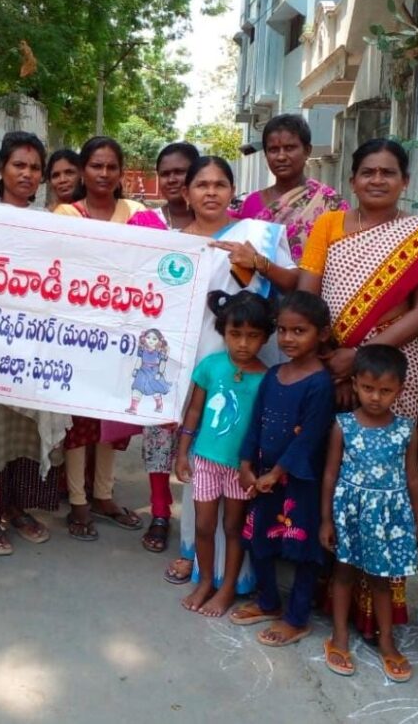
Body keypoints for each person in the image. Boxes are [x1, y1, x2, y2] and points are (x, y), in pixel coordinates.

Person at [298, 138, 418, 637]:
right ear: (352, 180)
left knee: (383, 481)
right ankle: (327, 591)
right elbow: (308, 295)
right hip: (330, 363)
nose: (377, 180)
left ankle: (378, 615)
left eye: (388, 172)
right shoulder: (328, 225)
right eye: (367, 172)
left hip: (391, 373)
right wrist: (333, 359)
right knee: (337, 474)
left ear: (405, 181)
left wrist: (359, 360)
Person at [164, 156, 294, 589]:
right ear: (187, 192)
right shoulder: (174, 244)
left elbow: (294, 283)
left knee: (246, 457)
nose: (211, 192)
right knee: (202, 455)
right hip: (198, 362)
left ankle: (244, 567)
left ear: (232, 191)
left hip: (252, 362)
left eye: (220, 184)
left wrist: (259, 263)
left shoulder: (258, 237)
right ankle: (194, 554)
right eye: (201, 184)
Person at [0, 132, 64, 555]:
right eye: (18, 165)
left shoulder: (54, 223)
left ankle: (19, 507)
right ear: (1, 170)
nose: (26, 174)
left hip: (36, 347)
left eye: (33, 167)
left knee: (26, 432)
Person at [54, 136, 147, 540]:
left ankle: (104, 495)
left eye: (112, 167)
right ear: (83, 170)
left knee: (113, 418)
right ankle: (78, 502)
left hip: (124, 337)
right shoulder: (66, 214)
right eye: (96, 166)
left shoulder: (140, 214)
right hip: (77, 335)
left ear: (120, 172)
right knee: (79, 423)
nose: (104, 174)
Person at [231, 291, 335, 648]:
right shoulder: (274, 374)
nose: (288, 339)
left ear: (321, 334)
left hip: (298, 483)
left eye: (299, 331)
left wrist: (276, 474)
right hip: (261, 478)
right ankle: (269, 602)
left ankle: (297, 618)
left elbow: (309, 438)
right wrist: (246, 464)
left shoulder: (321, 384)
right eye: (283, 330)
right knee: (257, 538)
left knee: (302, 551)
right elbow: (256, 423)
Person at [112, 141, 199, 553]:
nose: (173, 179)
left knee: (204, 433)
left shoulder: (217, 225)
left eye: (182, 172)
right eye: (166, 173)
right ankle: (161, 513)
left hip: (207, 344)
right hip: (156, 347)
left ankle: (204, 519)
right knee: (158, 431)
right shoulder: (144, 222)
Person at [320, 345, 418, 683]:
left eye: (385, 390)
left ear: (400, 390)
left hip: (387, 519)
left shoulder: (406, 429)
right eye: (367, 388)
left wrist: (416, 519)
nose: (375, 397)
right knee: (344, 573)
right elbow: (330, 475)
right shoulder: (343, 425)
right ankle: (339, 637)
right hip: (349, 513)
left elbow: (413, 477)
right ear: (355, 384)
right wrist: (325, 519)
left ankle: (387, 641)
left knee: (382, 580)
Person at [175, 290, 273, 617]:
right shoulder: (211, 366)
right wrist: (182, 451)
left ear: (265, 337)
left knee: (233, 528)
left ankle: (228, 586)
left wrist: (254, 468)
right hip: (205, 460)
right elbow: (193, 412)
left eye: (252, 336)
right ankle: (205, 580)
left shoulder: (267, 379)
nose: (243, 343)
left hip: (241, 468)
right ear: (223, 332)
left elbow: (261, 428)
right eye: (235, 334)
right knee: (204, 525)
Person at [234, 114, 347, 261]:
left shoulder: (330, 203)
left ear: (307, 150)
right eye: (273, 149)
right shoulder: (252, 202)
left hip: (313, 283)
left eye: (289, 148)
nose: (281, 156)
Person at [127, 142, 199, 232]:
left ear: (197, 173)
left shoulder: (216, 220)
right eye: (165, 174)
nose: (171, 180)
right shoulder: (141, 223)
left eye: (179, 172)